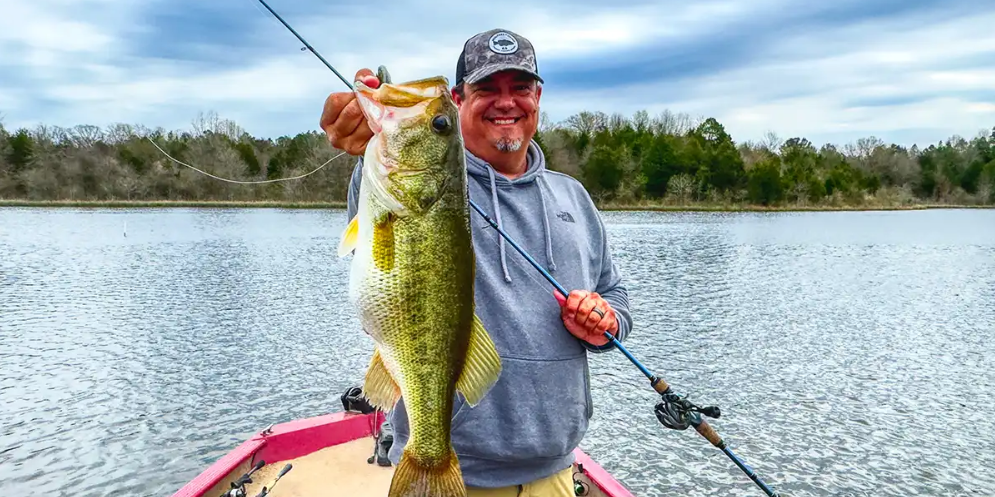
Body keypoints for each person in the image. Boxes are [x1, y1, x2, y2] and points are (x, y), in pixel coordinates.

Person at [320, 28, 633, 496]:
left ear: (538, 97)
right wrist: (365, 138)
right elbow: (373, 208)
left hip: (555, 474)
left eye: (520, 88)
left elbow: (617, 299)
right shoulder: (404, 187)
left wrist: (606, 322)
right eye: (487, 88)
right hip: (458, 473)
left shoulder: (575, 198)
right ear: (459, 98)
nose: (505, 102)